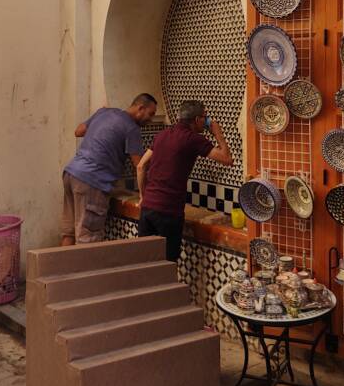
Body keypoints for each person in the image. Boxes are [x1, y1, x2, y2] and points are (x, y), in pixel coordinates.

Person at [136, 100, 233, 263]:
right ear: (197, 120)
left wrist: (142, 196)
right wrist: (218, 132)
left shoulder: (162, 135)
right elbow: (227, 159)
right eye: (205, 117)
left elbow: (140, 166)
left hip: (147, 209)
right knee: (167, 263)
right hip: (168, 212)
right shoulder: (193, 139)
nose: (206, 121)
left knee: (145, 262)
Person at [61, 93, 157, 245]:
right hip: (91, 182)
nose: (151, 119)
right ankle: (86, 270)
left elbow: (78, 131)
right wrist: (146, 193)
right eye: (150, 114)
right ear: (140, 108)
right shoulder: (132, 129)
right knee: (88, 240)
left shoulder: (103, 113)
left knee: (69, 233)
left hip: (71, 173)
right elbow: (139, 165)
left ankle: (62, 269)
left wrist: (102, 127)